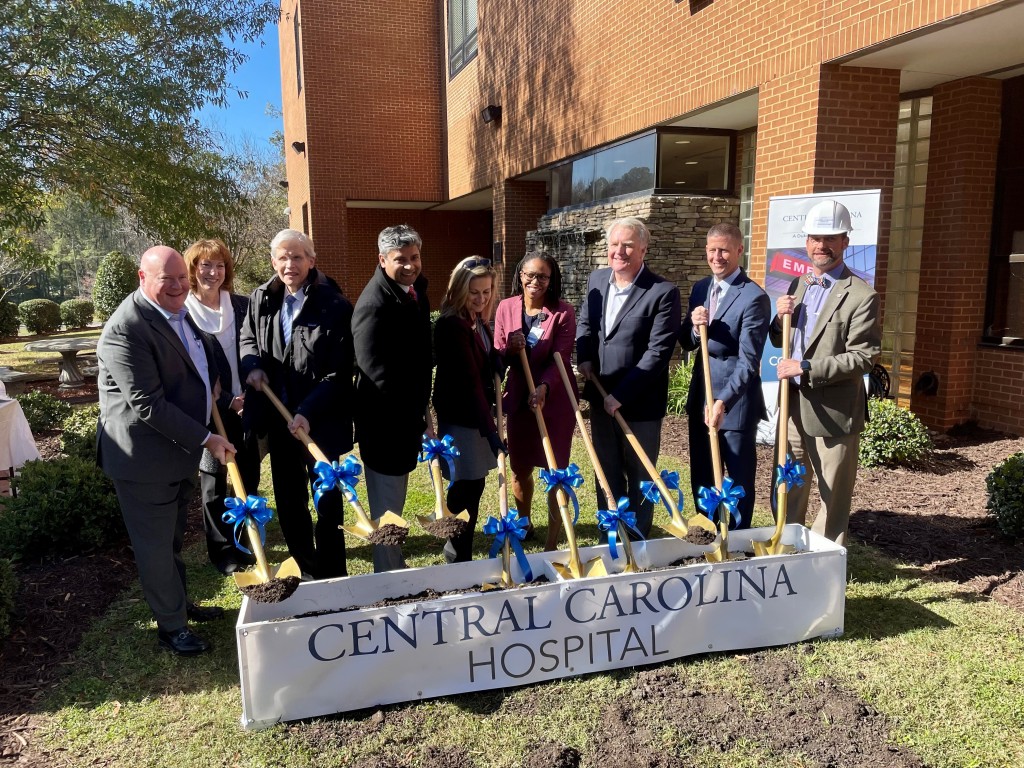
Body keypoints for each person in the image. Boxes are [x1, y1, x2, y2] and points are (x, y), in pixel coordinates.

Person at [97, 246, 234, 656]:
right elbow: (147, 404)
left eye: (181, 278)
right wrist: (207, 438)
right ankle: (172, 627)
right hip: (144, 459)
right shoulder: (126, 328)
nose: (177, 286)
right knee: (155, 547)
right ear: (143, 278)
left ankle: (178, 605)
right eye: (166, 279)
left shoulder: (177, 311)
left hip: (175, 452)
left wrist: (213, 386)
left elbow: (194, 359)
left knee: (170, 541)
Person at [239, 229, 354, 580]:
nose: (290, 264)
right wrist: (252, 365)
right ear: (273, 261)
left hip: (321, 419)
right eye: (283, 257)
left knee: (328, 499)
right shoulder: (261, 298)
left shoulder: (334, 305)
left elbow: (339, 371)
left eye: (298, 257)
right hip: (279, 418)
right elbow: (247, 338)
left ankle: (333, 573)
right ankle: (306, 567)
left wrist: (307, 412)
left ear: (312, 261)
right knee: (290, 500)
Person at [772, 199, 881, 545]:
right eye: (816, 238)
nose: (822, 246)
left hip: (834, 411)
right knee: (790, 483)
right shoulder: (798, 285)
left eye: (831, 238)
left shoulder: (862, 295)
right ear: (806, 242)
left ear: (846, 242)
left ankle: (822, 563)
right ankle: (785, 547)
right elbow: (781, 339)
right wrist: (779, 318)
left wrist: (805, 368)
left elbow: (864, 357)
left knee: (832, 495)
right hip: (792, 407)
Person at [576, 217, 681, 537]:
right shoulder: (597, 280)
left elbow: (658, 352)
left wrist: (621, 394)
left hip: (640, 403)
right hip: (599, 393)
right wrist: (585, 357)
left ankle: (637, 537)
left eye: (628, 246)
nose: (618, 251)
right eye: (613, 245)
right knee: (605, 470)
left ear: (643, 250)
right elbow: (586, 324)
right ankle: (610, 532)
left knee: (640, 473)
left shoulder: (663, 292)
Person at [352, 225, 433, 572]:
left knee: (394, 505)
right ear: (382, 259)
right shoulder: (373, 305)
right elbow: (376, 377)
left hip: (406, 421)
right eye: (400, 259)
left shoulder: (413, 293)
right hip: (385, 427)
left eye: (414, 257)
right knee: (387, 511)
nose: (410, 265)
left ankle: (393, 568)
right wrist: (412, 416)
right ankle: (388, 578)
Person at [680, 223, 770, 529]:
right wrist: (694, 327)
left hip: (735, 404)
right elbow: (686, 341)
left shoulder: (754, 297)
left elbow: (749, 361)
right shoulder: (701, 289)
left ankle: (738, 540)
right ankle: (705, 535)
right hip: (701, 395)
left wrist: (724, 401)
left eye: (725, 251)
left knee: (738, 480)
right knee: (702, 475)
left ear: (739, 251)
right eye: (712, 250)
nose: (717, 257)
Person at [183, 238, 260, 574]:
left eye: (219, 265)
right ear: (193, 269)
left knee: (249, 474)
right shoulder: (183, 313)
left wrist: (246, 396)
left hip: (249, 404)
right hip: (211, 407)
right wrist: (227, 398)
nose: (213, 272)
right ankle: (223, 551)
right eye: (205, 265)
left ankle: (246, 541)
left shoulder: (242, 305)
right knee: (214, 480)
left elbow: (254, 346)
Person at [494, 253, 577, 550]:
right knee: (520, 466)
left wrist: (543, 387)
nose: (535, 281)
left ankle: (553, 542)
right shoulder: (506, 307)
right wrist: (508, 348)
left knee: (556, 471)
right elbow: (498, 353)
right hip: (518, 398)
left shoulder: (563, 312)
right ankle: (524, 522)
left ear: (552, 280)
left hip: (553, 401)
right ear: (520, 275)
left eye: (543, 276)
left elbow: (561, 358)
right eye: (529, 275)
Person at [432, 257, 502, 562]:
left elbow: (484, 361)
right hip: (464, 419)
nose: (482, 298)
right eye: (474, 292)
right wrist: (491, 433)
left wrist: (503, 354)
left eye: (486, 291)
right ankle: (457, 555)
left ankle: (460, 552)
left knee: (474, 487)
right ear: (459, 290)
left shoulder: (477, 320)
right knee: (464, 489)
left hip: (478, 417)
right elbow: (470, 382)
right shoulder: (452, 326)